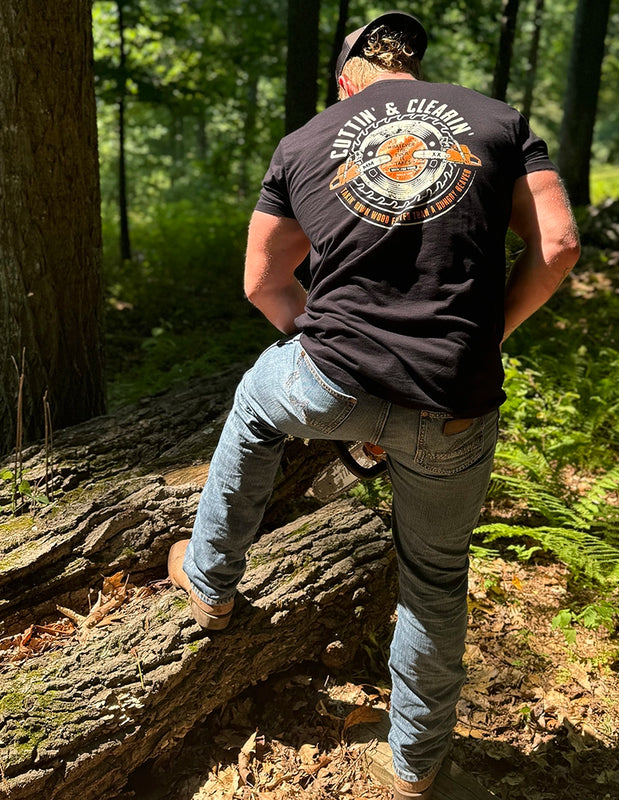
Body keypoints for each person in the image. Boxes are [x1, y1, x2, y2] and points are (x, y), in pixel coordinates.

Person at [168, 10, 580, 800]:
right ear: (410, 70)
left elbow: (263, 282)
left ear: (346, 76)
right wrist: (484, 339)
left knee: (258, 401)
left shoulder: (305, 141)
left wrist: (322, 349)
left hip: (332, 383)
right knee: (433, 578)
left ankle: (212, 583)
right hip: (454, 403)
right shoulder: (497, 122)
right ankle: (415, 766)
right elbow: (557, 246)